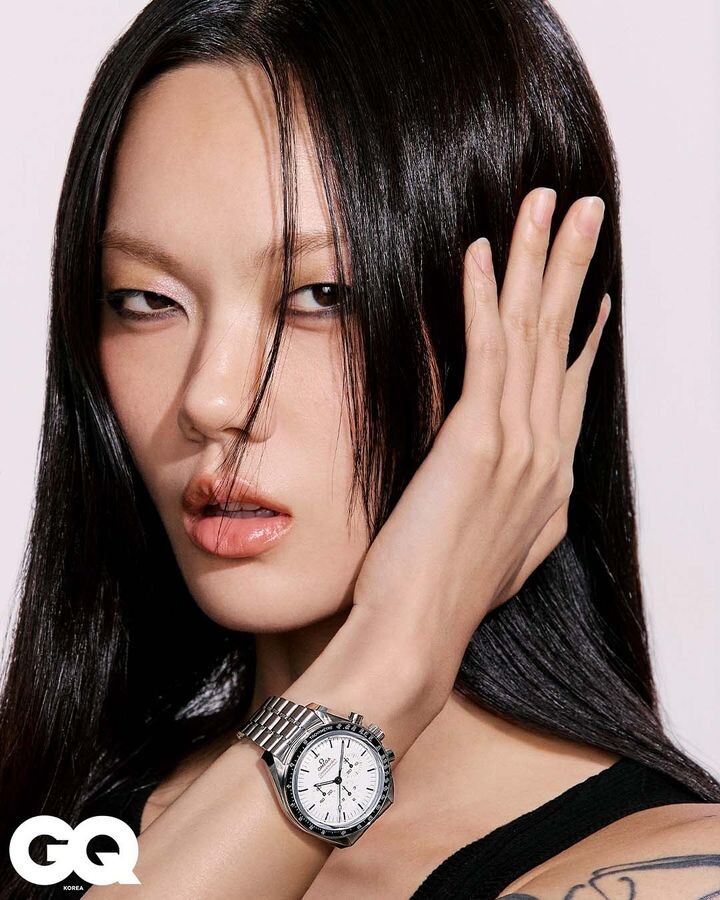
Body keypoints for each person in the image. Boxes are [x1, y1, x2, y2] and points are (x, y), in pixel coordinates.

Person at [1, 1, 718, 898]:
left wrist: (398, 655)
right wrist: (391, 663)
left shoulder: (669, 873)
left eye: (323, 295)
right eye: (146, 299)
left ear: (533, 328)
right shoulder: (47, 825)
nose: (211, 399)